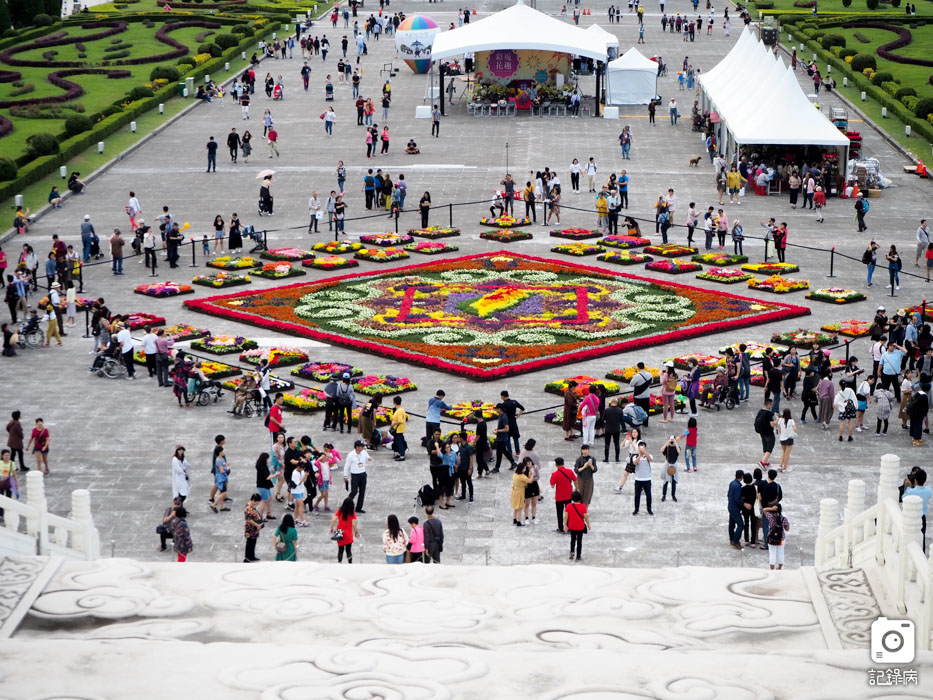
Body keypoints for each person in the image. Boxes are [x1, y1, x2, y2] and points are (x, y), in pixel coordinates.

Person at [903, 469, 930, 552]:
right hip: (922, 518)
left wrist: (908, 486)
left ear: (915, 479)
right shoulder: (929, 491)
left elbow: (903, 498)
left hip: (912, 517)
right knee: (922, 537)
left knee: (911, 538)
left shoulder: (911, 491)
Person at [564, 491, 590, 561]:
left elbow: (566, 517)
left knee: (572, 540)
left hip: (572, 526)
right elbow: (586, 517)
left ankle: (572, 552)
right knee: (579, 541)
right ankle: (578, 555)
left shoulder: (569, 506)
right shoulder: (583, 506)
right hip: (580, 526)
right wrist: (588, 524)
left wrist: (565, 525)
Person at [764, 503, 790, 570]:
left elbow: (764, 510)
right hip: (781, 539)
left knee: (772, 554)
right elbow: (787, 529)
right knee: (781, 553)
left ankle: (772, 569)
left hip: (771, 538)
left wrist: (771, 508)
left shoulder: (770, 516)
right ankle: (779, 568)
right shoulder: (784, 519)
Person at [631, 441, 653, 516]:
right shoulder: (635, 456)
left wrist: (644, 452)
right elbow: (635, 463)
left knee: (648, 495)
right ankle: (636, 509)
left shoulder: (648, 455)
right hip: (638, 479)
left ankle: (649, 509)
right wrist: (640, 455)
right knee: (637, 495)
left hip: (647, 478)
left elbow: (650, 459)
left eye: (643, 447)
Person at [755, 398, 776, 469]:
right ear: (769, 404)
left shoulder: (760, 411)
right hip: (768, 432)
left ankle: (766, 461)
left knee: (765, 446)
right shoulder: (769, 414)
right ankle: (763, 462)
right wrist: (777, 421)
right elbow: (772, 424)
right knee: (769, 447)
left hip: (761, 432)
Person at [511, 461, 533, 526]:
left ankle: (514, 519)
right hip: (520, 492)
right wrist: (532, 474)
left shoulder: (515, 474)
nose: (525, 469)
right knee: (520, 507)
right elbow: (530, 481)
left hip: (514, 491)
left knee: (515, 507)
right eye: (524, 468)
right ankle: (518, 521)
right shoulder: (521, 476)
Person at [243, 493, 263, 562]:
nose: (257, 503)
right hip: (250, 528)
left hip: (253, 528)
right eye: (257, 502)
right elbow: (249, 519)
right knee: (250, 543)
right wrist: (257, 525)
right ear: (254, 500)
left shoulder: (251, 506)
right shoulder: (248, 508)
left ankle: (252, 556)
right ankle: (247, 557)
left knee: (253, 542)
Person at [776, 408, 796, 473]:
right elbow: (795, 429)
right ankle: (784, 468)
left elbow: (779, 430)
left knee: (784, 452)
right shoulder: (791, 421)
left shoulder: (780, 420)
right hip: (789, 438)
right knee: (787, 454)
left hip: (782, 438)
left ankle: (780, 465)